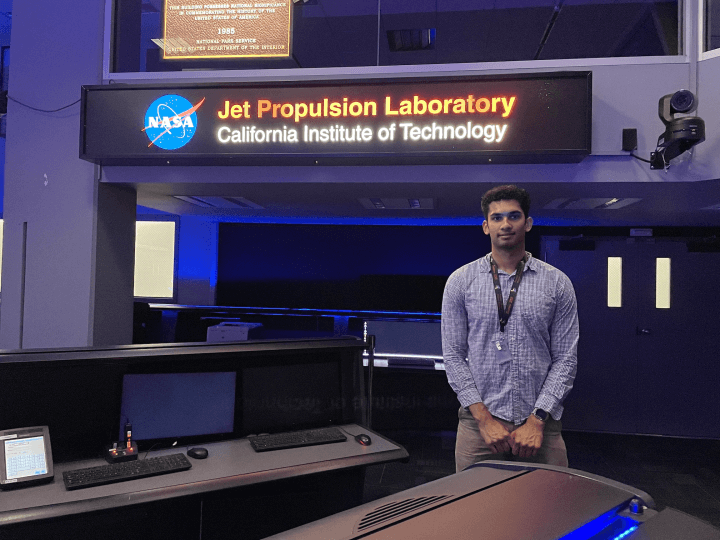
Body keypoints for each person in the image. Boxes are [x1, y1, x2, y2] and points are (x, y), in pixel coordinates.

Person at [441, 185, 578, 473]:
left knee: (548, 510)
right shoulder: (460, 282)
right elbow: (453, 356)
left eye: (514, 216)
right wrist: (484, 420)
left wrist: (537, 420)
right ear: (485, 226)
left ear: (527, 223)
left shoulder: (557, 283)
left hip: (541, 424)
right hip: (479, 425)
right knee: (473, 510)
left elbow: (566, 358)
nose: (505, 224)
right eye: (497, 217)